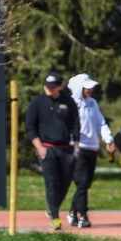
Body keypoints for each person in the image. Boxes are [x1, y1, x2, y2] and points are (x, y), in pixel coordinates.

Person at [25, 72, 79, 231]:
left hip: (67, 149)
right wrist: (40, 147)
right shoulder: (37, 102)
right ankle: (55, 217)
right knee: (52, 182)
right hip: (47, 149)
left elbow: (75, 124)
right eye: (47, 86)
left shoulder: (68, 102)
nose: (49, 89)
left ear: (59, 87)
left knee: (65, 183)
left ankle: (52, 208)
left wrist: (76, 146)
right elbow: (30, 127)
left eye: (53, 86)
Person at [67, 73, 114, 229]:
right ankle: (83, 216)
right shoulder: (72, 105)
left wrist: (108, 140)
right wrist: (73, 145)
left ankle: (73, 212)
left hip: (92, 148)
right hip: (78, 149)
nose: (90, 90)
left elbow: (101, 123)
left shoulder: (93, 103)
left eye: (91, 88)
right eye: (87, 88)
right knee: (81, 183)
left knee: (85, 184)